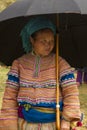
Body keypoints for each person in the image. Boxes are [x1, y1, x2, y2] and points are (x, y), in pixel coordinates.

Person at [0, 16, 81, 130]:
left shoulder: (60, 63)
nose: (48, 45)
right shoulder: (19, 64)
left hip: (53, 124)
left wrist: (67, 121)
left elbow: (71, 94)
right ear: (32, 40)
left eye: (51, 41)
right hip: (24, 124)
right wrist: (9, 125)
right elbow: (9, 97)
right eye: (43, 41)